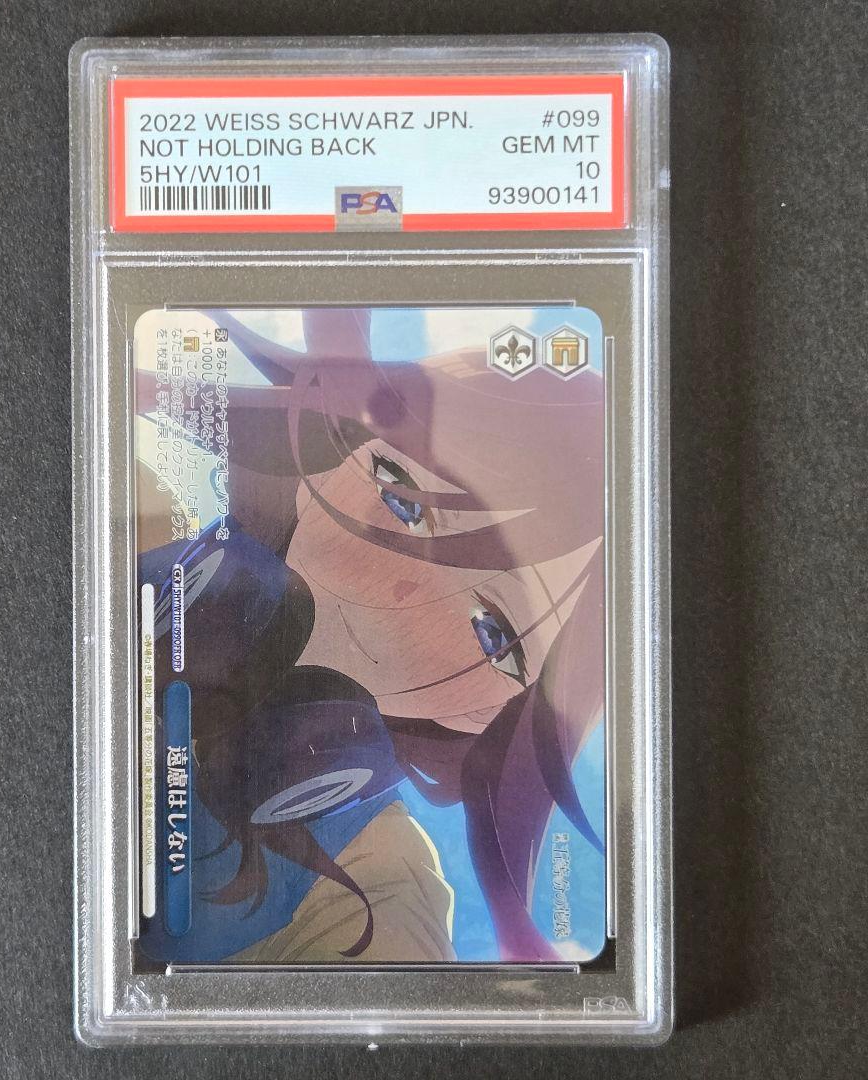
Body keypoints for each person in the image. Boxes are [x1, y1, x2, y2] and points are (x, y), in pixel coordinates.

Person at [136, 307, 605, 963]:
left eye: (495, 636)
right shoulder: (122, 520)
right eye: (406, 499)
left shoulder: (376, 894)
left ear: (484, 718)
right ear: (335, 450)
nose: (410, 586)